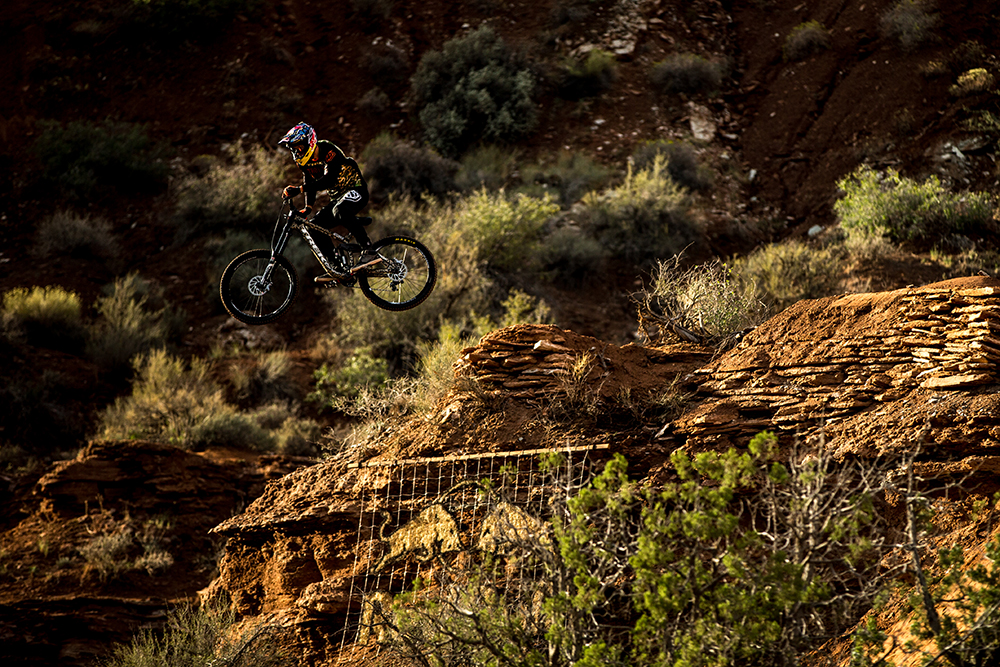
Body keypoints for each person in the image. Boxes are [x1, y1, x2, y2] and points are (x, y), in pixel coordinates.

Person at [277, 122, 378, 280]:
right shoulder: (304, 162)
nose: (296, 151)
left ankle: (369, 250)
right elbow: (310, 181)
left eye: (299, 147)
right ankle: (337, 269)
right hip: (338, 198)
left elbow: (329, 181)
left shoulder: (328, 150)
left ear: (309, 142)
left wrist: (299, 189)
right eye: (293, 149)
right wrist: (308, 208)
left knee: (341, 210)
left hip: (356, 190)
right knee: (314, 226)